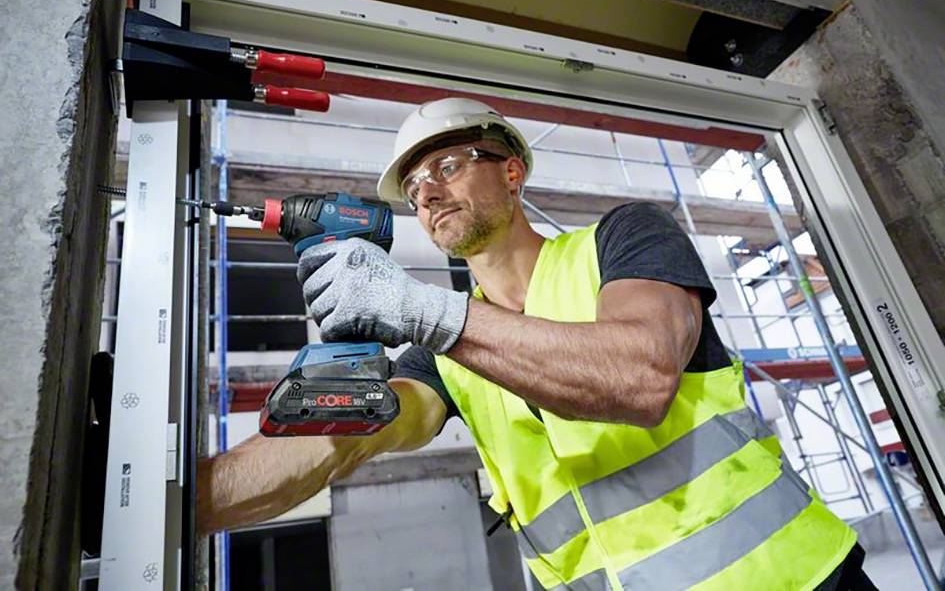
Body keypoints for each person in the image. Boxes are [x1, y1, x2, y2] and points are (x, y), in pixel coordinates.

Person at [198, 98, 875, 590]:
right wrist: (181, 503)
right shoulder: (441, 354)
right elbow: (349, 435)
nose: (427, 192)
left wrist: (415, 308)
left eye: (449, 165)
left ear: (512, 171)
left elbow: (639, 378)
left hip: (796, 580)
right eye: (412, 187)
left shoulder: (622, 241)